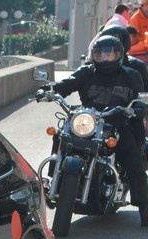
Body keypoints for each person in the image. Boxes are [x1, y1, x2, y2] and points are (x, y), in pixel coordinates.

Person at [41, 35, 148, 226]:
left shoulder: (132, 75)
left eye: (110, 54)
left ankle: (144, 207)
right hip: (88, 121)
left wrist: (137, 108)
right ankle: (52, 183)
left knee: (133, 159)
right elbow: (67, 84)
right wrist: (49, 90)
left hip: (117, 124)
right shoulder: (86, 72)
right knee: (60, 136)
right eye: (101, 55)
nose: (105, 59)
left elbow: (141, 98)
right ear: (94, 55)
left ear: (119, 55)